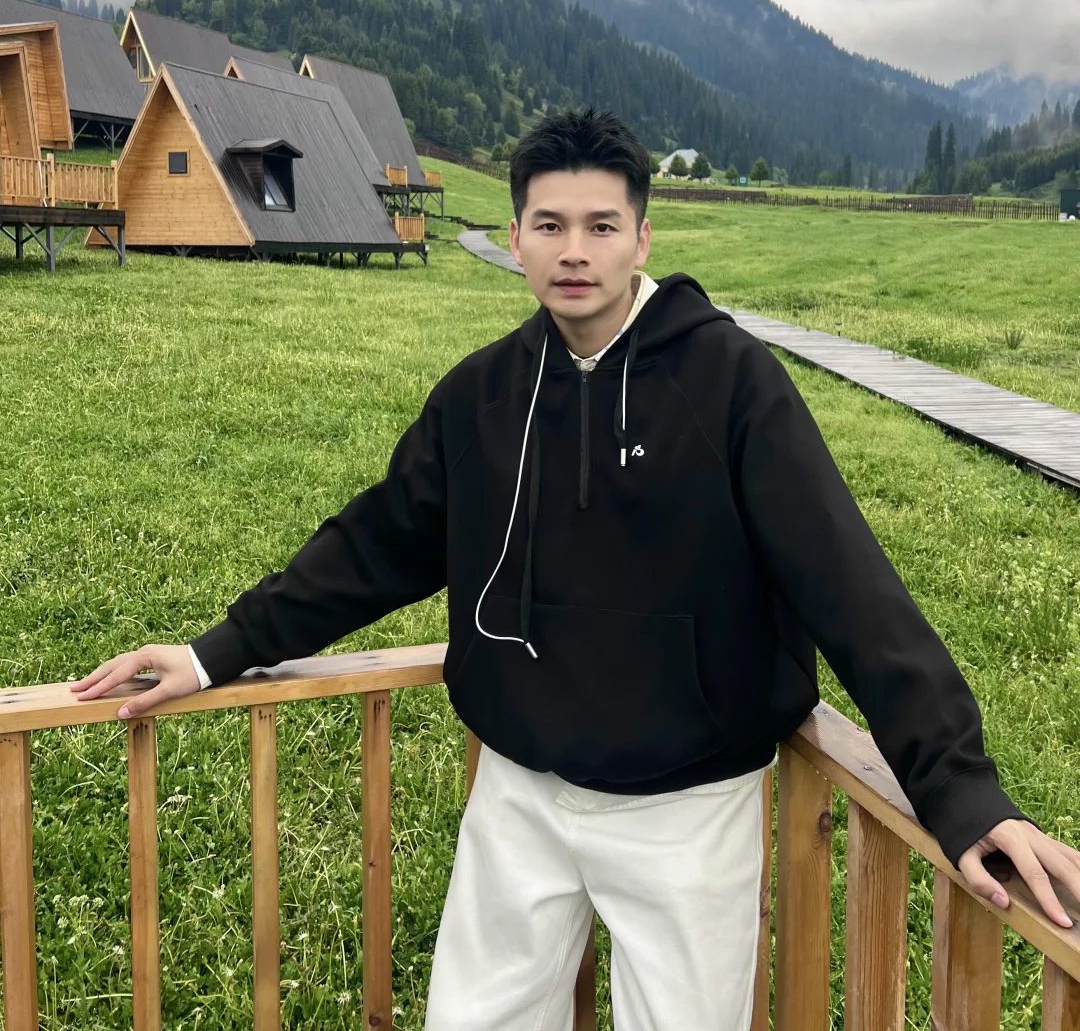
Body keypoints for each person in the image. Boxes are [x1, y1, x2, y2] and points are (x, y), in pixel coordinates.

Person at [74, 109, 1080, 1031]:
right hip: (519, 793)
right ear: (514, 237)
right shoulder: (481, 396)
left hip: (689, 808)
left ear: (643, 238)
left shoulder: (732, 384)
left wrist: (962, 791)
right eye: (550, 225)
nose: (574, 251)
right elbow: (373, 546)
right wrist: (212, 654)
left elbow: (849, 585)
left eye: (602, 226)